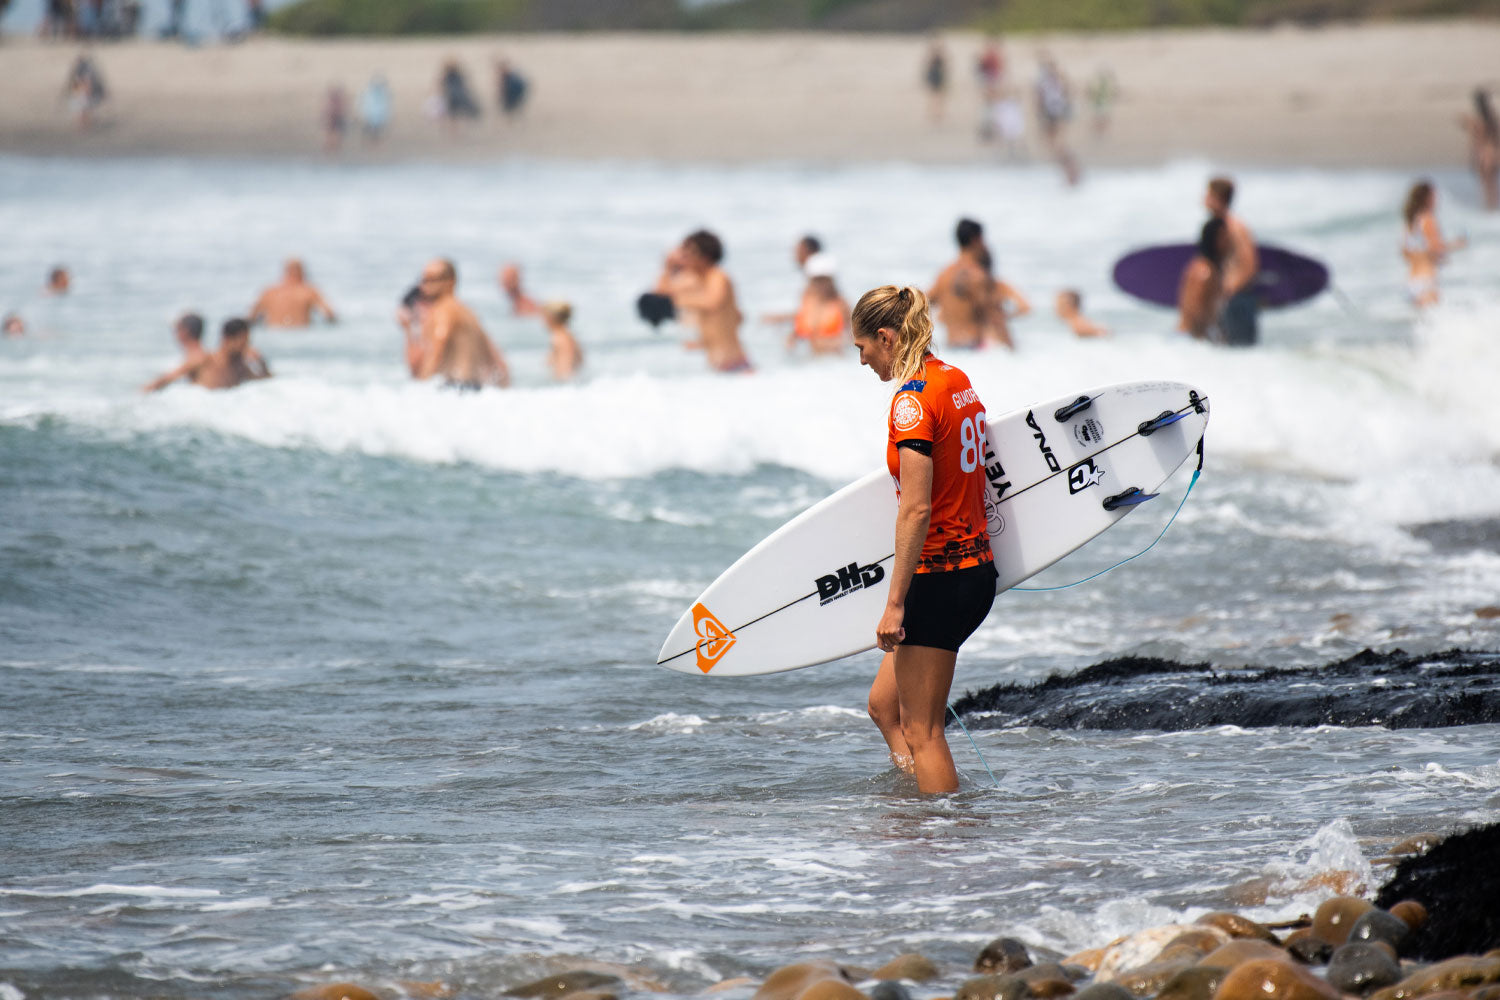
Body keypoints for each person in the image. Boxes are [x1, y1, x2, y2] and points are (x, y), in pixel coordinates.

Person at [852, 285, 996, 795]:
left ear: (886, 337)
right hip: (972, 570)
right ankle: (916, 800)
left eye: (862, 347)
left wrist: (894, 604)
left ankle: (946, 842)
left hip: (940, 577)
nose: (863, 359)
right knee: (884, 708)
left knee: (925, 730)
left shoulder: (911, 404)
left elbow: (916, 506)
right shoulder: (956, 381)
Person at [654, 230, 751, 374]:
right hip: (718, 365)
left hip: (734, 363)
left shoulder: (718, 276)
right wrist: (668, 267)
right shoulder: (695, 279)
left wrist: (678, 300)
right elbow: (661, 294)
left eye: (689, 253)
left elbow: (712, 302)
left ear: (705, 257)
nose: (684, 257)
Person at [405, 258, 509, 389]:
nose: (424, 286)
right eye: (423, 279)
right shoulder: (469, 313)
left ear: (451, 282)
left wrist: (419, 390)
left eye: (431, 279)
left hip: (453, 389)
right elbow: (498, 362)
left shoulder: (444, 309)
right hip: (475, 388)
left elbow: (436, 350)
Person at [1205, 176, 1260, 346]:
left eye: (1207, 195)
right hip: (1229, 299)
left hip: (1237, 299)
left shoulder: (1235, 227)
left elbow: (1250, 263)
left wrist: (1232, 289)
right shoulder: (1221, 226)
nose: (1203, 200)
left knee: (1240, 352)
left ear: (1217, 198)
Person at [148, 318, 270, 392]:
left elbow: (266, 385)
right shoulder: (204, 360)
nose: (246, 347)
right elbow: (166, 379)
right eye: (243, 343)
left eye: (248, 343)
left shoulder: (241, 367)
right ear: (227, 339)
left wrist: (262, 362)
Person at [927, 218, 991, 350]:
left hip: (951, 349)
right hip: (974, 350)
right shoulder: (978, 275)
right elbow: (992, 316)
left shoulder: (944, 275)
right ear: (976, 240)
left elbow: (921, 304)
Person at [1401, 180, 1467, 308]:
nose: (1436, 200)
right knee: (1432, 321)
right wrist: (1458, 244)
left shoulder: (1410, 222)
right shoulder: (1427, 218)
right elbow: (1436, 248)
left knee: (1420, 325)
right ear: (1427, 199)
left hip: (1411, 280)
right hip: (1426, 279)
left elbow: (1405, 253)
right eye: (1434, 196)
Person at [785, 255, 850, 355]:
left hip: (833, 358)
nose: (821, 285)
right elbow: (798, 330)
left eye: (824, 280)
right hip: (810, 360)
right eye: (817, 281)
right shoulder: (807, 301)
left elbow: (853, 337)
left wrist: (830, 344)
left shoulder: (841, 304)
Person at [248, 259, 338, 328]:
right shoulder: (309, 291)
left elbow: (251, 318)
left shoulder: (268, 292)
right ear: (302, 272)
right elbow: (330, 315)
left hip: (274, 332)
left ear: (285, 272)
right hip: (300, 332)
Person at [1177, 217, 1226, 340]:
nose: (1228, 242)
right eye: (1224, 237)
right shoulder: (1204, 272)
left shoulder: (1199, 266)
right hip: (1189, 338)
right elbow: (1195, 310)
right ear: (1213, 239)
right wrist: (1209, 337)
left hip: (1187, 338)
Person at [1034, 53, 1079, 184]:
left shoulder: (1051, 81)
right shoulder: (1053, 80)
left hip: (1054, 110)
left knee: (1056, 141)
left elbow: (1040, 97)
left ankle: (1068, 165)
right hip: (1053, 110)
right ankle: (1067, 166)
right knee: (1054, 141)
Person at [973, 246, 1028, 350]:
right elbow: (1025, 307)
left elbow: (1025, 307)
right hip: (1000, 341)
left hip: (987, 342)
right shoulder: (999, 285)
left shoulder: (973, 288)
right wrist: (1005, 315)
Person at [142, 312, 210, 391]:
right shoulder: (202, 354)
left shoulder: (196, 356)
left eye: (177, 330)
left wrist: (145, 389)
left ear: (185, 332)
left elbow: (167, 379)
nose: (175, 335)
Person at [1460, 89, 1499, 211]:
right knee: (1490, 183)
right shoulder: (1491, 119)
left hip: (1485, 156)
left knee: (1487, 184)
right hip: (1491, 154)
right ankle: (1492, 207)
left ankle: (1490, 207)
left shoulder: (1480, 122)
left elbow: (1476, 141)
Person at [61, 53, 106, 130]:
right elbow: (77, 88)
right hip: (82, 95)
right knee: (81, 108)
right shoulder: (82, 74)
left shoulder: (86, 74)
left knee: (83, 107)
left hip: (86, 96)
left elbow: (88, 87)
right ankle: (83, 125)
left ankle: (84, 125)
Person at [542, 301, 583, 380]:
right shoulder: (569, 337)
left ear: (551, 318)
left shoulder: (561, 339)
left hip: (563, 389)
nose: (543, 321)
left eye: (544, 317)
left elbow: (565, 371)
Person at [359, 74, 391, 144]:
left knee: (376, 132)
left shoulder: (383, 92)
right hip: (371, 115)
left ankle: (375, 144)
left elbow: (386, 105)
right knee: (370, 132)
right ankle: (370, 144)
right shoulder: (369, 91)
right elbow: (364, 103)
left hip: (378, 116)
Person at [922, 41, 947, 124]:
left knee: (938, 95)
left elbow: (944, 66)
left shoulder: (938, 56)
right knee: (934, 95)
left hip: (937, 75)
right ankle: (934, 112)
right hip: (935, 75)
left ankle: (937, 112)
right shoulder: (933, 57)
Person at [322, 84, 348, 154]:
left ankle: (333, 148)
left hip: (336, 117)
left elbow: (340, 109)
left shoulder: (337, 100)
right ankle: (330, 148)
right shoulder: (334, 100)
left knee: (336, 133)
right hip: (333, 117)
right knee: (332, 133)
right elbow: (328, 109)